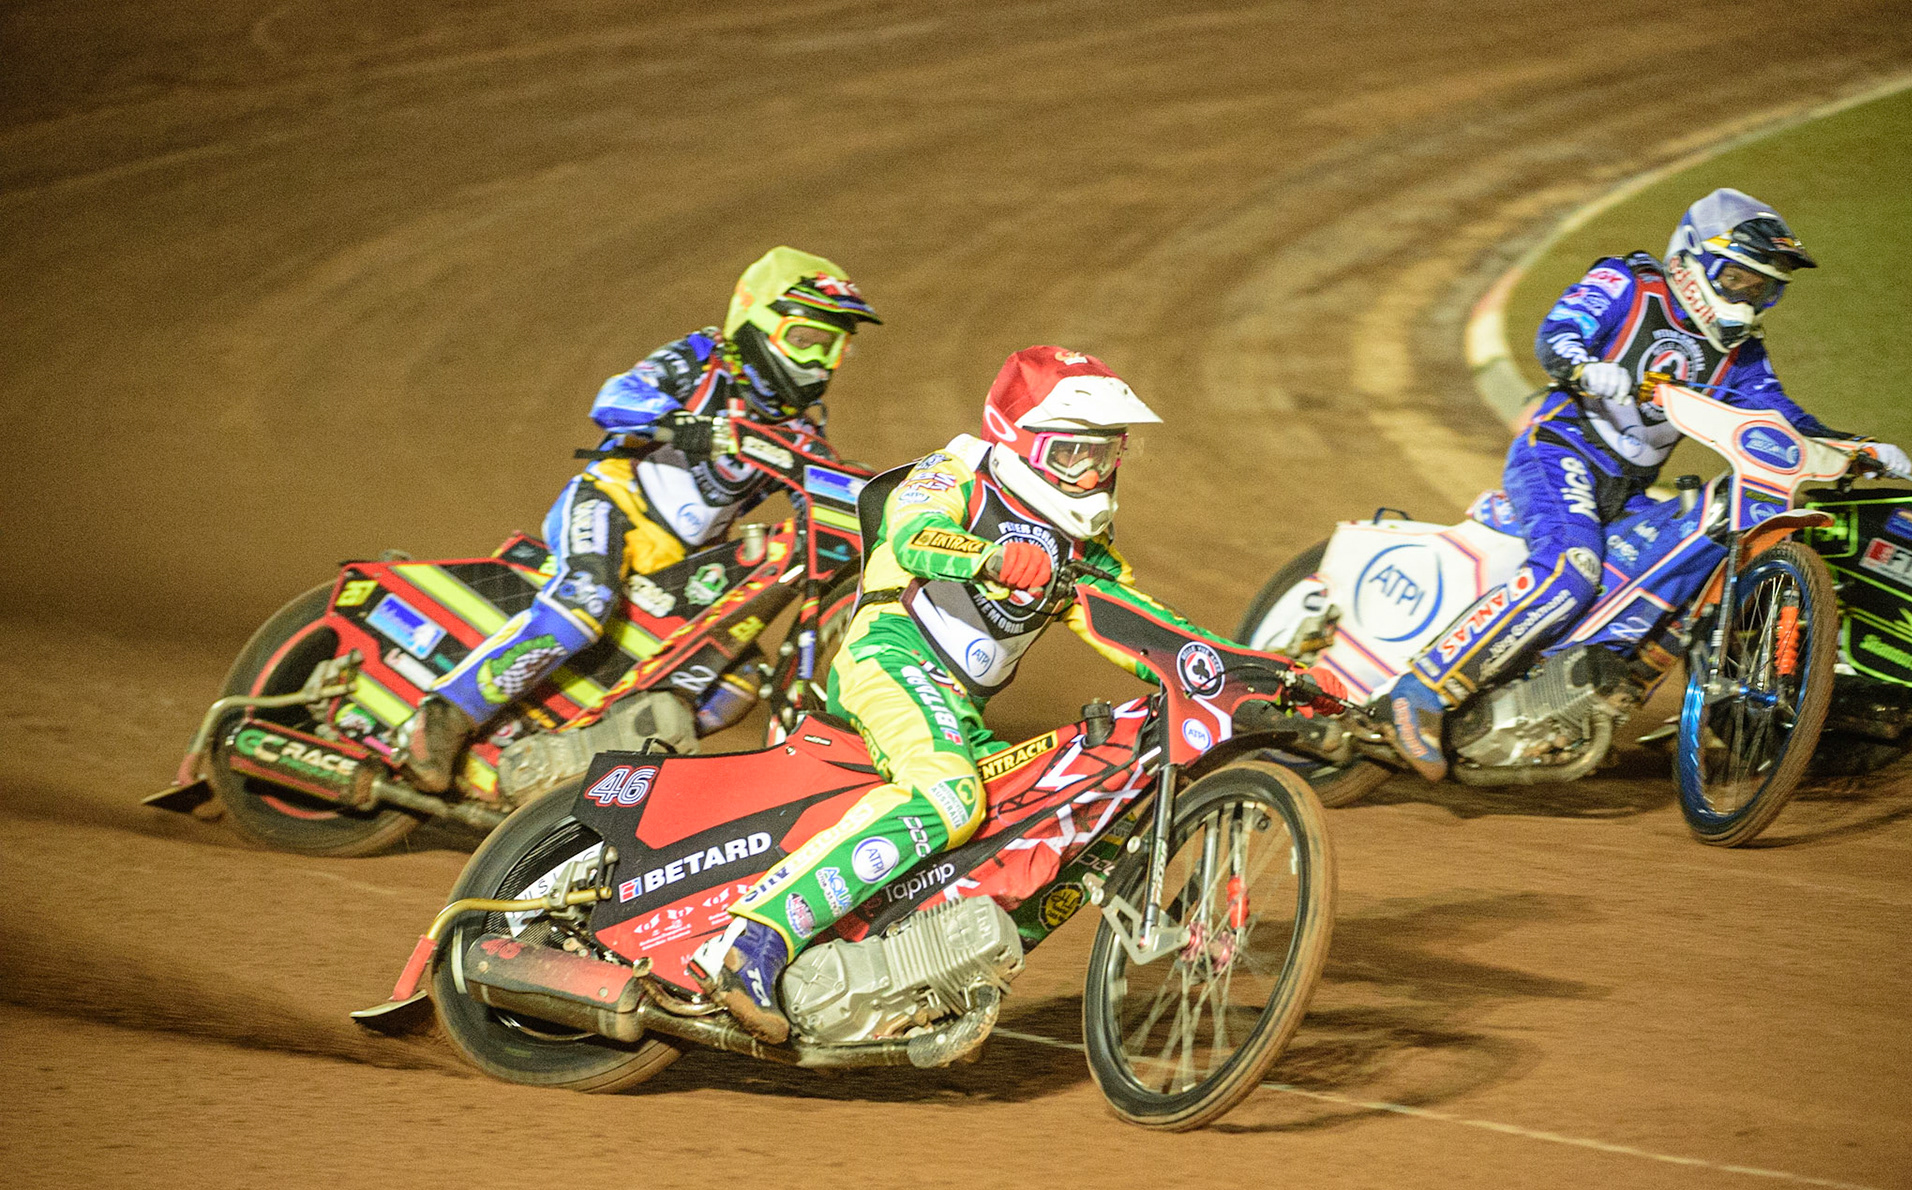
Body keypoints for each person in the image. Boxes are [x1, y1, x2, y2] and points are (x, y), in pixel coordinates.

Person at [688, 345, 1340, 1043]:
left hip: (959, 710)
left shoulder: (1081, 544)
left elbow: (1146, 633)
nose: (1091, 474)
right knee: (949, 797)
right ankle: (749, 946)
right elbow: (912, 538)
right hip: (888, 657)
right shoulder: (958, 472)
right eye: (1070, 455)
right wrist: (989, 555)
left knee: (1056, 820)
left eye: (1106, 454)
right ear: (1019, 441)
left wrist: (1264, 673)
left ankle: (921, 974)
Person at [1383, 188, 1912, 780]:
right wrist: (1583, 366)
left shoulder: (1741, 355)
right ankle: (1421, 689)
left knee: (1684, 579)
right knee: (1572, 568)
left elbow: (1781, 417)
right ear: (1695, 261)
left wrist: (1854, 447)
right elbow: (1557, 332)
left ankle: (1589, 700)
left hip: (1630, 488)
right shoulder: (1629, 283)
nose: (1747, 296)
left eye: (1761, 287)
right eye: (1737, 278)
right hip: (1560, 451)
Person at [399, 247, 881, 791]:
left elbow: (826, 493)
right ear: (757, 321)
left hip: (681, 561)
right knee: (586, 600)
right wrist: (682, 422)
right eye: (807, 339)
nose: (820, 360)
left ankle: (572, 767)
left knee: (737, 681)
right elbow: (615, 396)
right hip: (611, 503)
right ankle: (445, 714)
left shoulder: (801, 432)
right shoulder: (702, 359)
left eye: (835, 346)